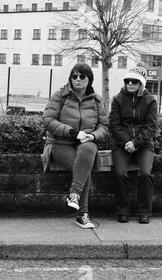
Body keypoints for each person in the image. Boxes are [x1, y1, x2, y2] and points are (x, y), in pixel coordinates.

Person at [42, 63, 108, 229]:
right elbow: (48, 120)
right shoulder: (60, 96)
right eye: (74, 76)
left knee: (89, 149)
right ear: (70, 79)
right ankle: (82, 214)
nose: (78, 79)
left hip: (85, 144)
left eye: (82, 76)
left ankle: (74, 195)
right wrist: (72, 132)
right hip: (60, 144)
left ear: (89, 79)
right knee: (83, 170)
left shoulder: (96, 100)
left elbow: (104, 127)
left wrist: (93, 135)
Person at [109, 62, 158, 224]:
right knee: (120, 173)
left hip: (143, 146)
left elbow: (151, 127)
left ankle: (144, 212)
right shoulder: (117, 100)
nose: (130, 83)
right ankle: (122, 211)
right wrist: (126, 143)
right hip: (121, 145)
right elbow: (114, 126)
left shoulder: (150, 101)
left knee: (145, 174)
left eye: (134, 81)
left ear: (141, 84)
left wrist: (136, 143)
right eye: (127, 81)